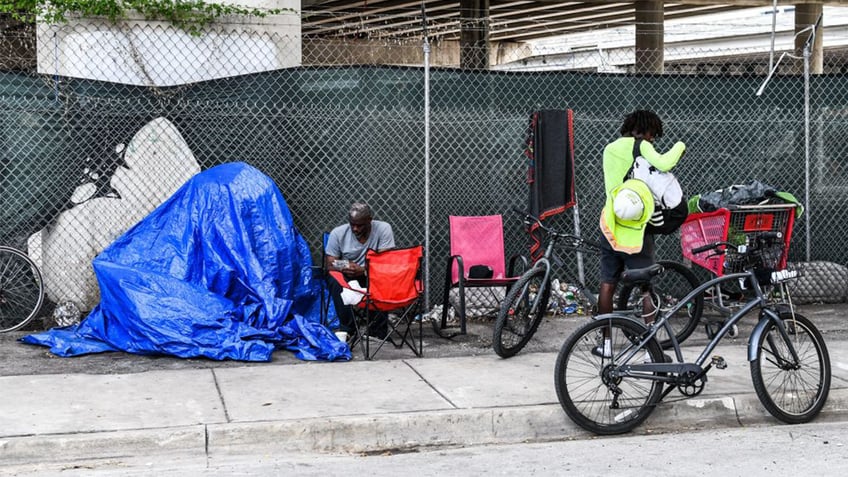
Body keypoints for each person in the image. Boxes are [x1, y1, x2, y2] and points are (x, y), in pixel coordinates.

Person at [595, 110, 686, 357]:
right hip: (636, 229)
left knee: (607, 285)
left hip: (611, 224)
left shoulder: (608, 149)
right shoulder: (641, 147)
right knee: (645, 288)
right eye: (653, 134)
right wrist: (680, 145)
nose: (653, 139)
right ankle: (649, 349)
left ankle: (605, 345)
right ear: (644, 130)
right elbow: (665, 163)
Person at [325, 202, 396, 343]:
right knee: (334, 279)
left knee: (383, 277)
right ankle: (348, 329)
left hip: (372, 273)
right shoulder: (338, 233)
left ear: (370, 220)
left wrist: (363, 270)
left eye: (360, 225)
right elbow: (330, 263)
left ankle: (377, 331)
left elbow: (385, 261)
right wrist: (346, 265)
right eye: (352, 225)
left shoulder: (383, 229)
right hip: (348, 275)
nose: (355, 229)